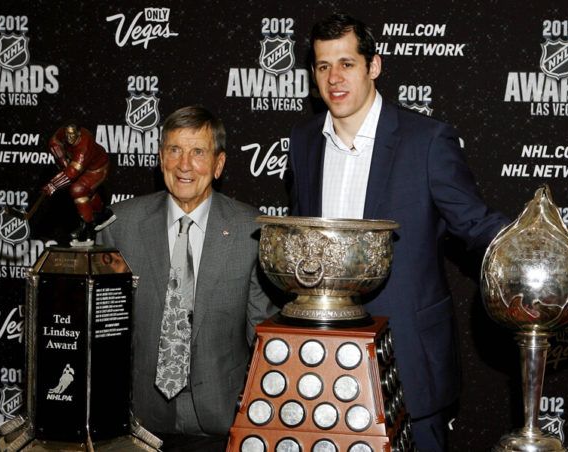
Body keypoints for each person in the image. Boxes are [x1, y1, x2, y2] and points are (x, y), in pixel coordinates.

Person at [288, 13, 510, 451]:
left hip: (409, 355)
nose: (334, 78)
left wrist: (539, 248)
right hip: (324, 358)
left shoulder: (426, 140)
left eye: (347, 64)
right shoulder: (304, 141)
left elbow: (476, 223)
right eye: (323, 66)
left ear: (373, 66)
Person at [98, 106, 277, 451]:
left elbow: (262, 339)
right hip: (138, 422)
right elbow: (105, 335)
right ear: (160, 158)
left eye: (198, 152)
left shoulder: (252, 231)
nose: (184, 165)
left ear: (218, 164)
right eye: (174, 150)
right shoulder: (119, 226)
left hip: (222, 422)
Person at [43, 123, 115, 243]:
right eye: (67, 135)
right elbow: (53, 142)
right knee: (87, 192)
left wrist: (53, 185)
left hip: (97, 169)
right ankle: (102, 214)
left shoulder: (84, 146)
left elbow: (72, 173)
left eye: (72, 135)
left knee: (78, 190)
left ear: (79, 134)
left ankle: (88, 227)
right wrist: (62, 160)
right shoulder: (63, 133)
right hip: (83, 167)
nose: (69, 138)